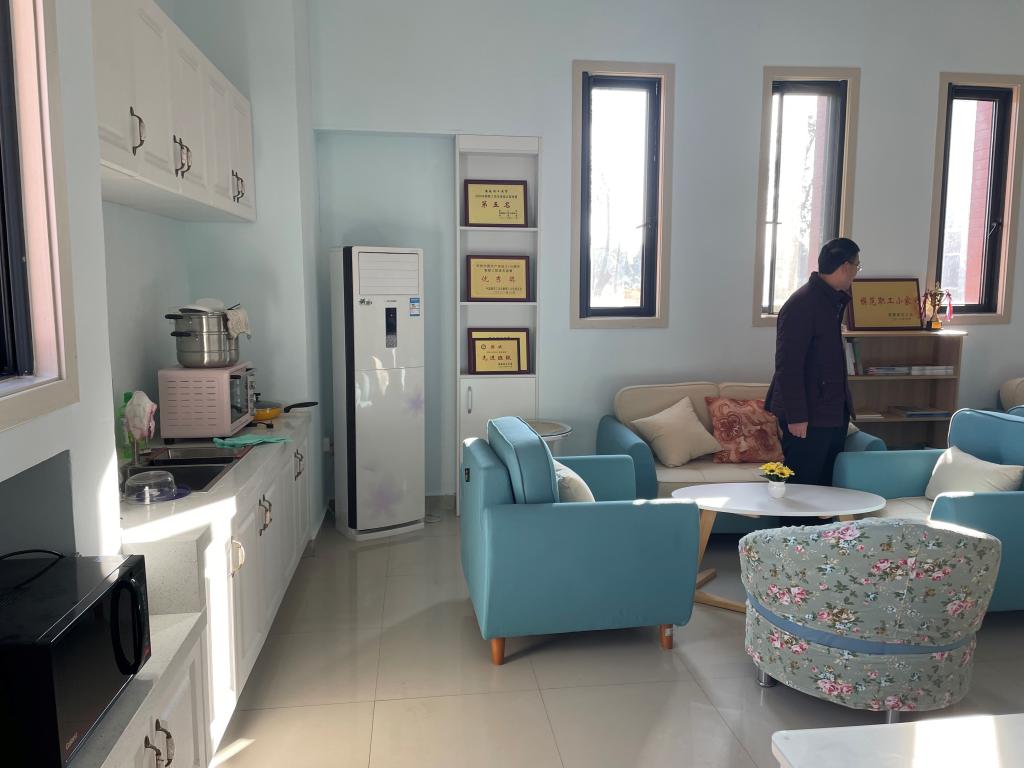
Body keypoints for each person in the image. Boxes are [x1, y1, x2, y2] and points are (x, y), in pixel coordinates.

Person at [766, 238, 860, 487]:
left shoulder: (830, 300)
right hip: (808, 416)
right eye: (857, 266)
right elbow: (788, 366)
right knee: (801, 489)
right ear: (845, 267)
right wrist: (796, 416)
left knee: (826, 489)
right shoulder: (802, 304)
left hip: (830, 412)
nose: (856, 273)